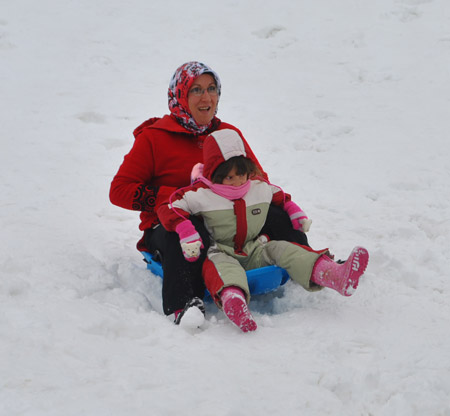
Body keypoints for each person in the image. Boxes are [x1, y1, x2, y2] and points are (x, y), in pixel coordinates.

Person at [109, 61, 310, 326]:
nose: (207, 97)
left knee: (275, 214)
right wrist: (174, 197)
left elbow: (258, 178)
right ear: (180, 95)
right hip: (172, 222)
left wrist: (234, 191)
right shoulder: (154, 138)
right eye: (196, 90)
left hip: (227, 217)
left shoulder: (227, 133)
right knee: (187, 232)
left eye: (212, 88)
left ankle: (312, 266)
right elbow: (119, 191)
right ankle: (184, 304)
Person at [157, 129, 370, 332]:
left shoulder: (257, 187)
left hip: (254, 247)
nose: (237, 182)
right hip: (220, 252)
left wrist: (294, 211)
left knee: (285, 249)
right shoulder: (200, 194)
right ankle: (235, 303)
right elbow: (170, 207)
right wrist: (185, 229)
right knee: (223, 271)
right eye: (229, 177)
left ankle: (334, 275)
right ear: (215, 175)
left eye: (241, 174)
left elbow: (279, 196)